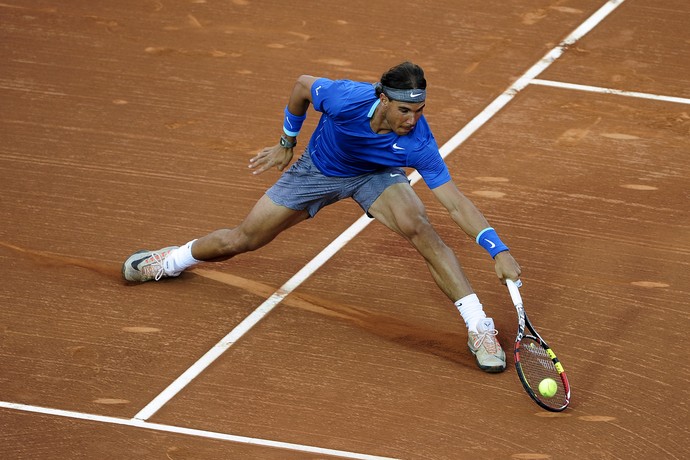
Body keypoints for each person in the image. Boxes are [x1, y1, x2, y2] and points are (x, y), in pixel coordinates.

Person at [122, 61, 521, 372]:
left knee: (421, 227)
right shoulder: (345, 97)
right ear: (382, 98)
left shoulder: (418, 141)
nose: (412, 120)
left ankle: (478, 327)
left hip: (377, 176)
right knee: (241, 240)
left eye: (419, 111)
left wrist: (497, 249)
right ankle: (171, 261)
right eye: (404, 110)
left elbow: (455, 203)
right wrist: (286, 142)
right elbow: (301, 86)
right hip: (318, 170)